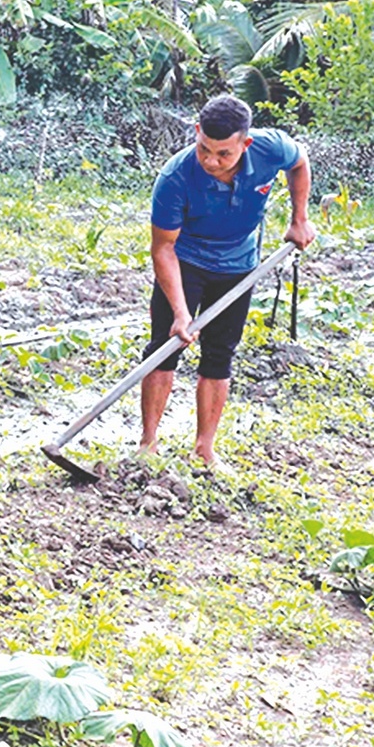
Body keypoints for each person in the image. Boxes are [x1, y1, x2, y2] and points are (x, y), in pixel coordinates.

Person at [138, 94, 315, 469]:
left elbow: (299, 162)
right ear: (197, 133)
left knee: (220, 355)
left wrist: (299, 218)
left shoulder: (270, 148)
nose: (211, 161)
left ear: (245, 144)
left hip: (238, 265)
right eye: (204, 149)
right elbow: (163, 249)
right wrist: (181, 313)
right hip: (185, 261)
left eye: (223, 154)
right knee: (164, 347)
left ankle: (204, 449)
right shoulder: (175, 177)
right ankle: (147, 444)